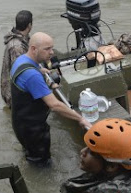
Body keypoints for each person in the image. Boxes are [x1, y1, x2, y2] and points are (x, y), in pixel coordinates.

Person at [11, 32, 91, 166]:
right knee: (41, 163)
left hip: (20, 123)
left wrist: (40, 71)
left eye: (52, 48)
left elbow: (29, 72)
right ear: (33, 49)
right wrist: (80, 118)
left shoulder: (21, 60)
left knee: (29, 153)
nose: (52, 52)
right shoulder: (32, 75)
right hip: (33, 130)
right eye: (47, 49)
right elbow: (55, 105)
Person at [0, 10, 32, 108]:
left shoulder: (24, 39)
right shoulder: (17, 47)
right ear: (29, 25)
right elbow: (20, 74)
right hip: (14, 95)